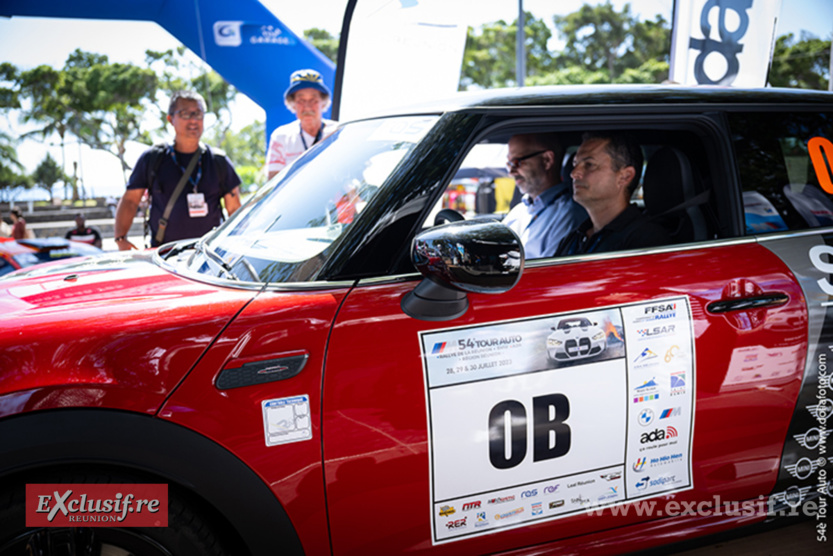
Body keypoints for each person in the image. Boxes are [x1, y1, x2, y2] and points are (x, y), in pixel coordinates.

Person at [114, 90, 242, 250]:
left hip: (209, 255)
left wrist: (236, 246)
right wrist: (120, 238)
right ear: (170, 119)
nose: (193, 120)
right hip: (164, 254)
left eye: (198, 114)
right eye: (185, 114)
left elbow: (234, 209)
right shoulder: (152, 158)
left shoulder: (218, 161)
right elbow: (130, 201)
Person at [555, 132, 670, 256]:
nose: (574, 173)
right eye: (575, 164)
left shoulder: (645, 240)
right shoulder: (573, 238)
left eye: (589, 165)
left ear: (625, 177)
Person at [502, 133, 587, 259]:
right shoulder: (519, 210)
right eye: (509, 164)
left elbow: (550, 269)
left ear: (547, 160)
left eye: (516, 162)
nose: (511, 172)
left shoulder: (569, 215)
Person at [265, 69, 338, 181]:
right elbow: (274, 182)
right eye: (301, 100)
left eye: (313, 100)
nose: (307, 107)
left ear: (323, 102)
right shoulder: (281, 137)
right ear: (292, 103)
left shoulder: (338, 132)